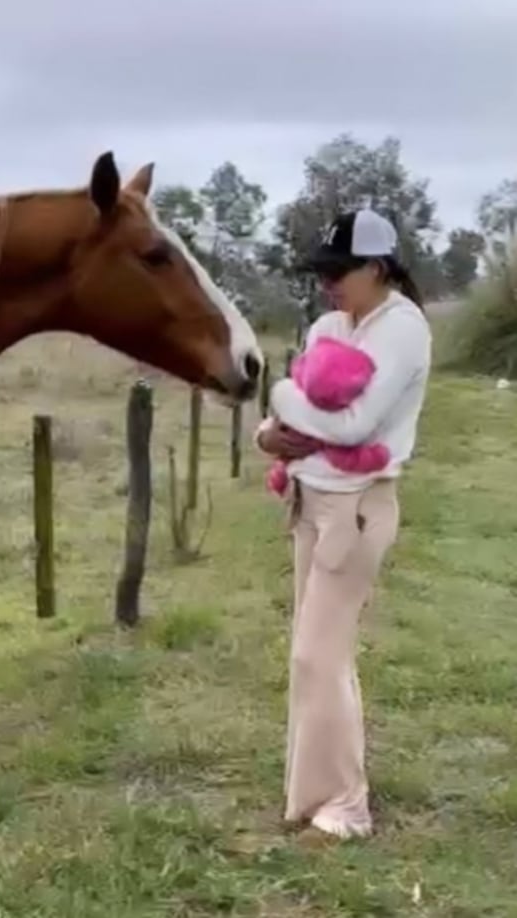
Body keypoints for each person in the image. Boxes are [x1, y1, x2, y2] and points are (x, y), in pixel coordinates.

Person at [255, 207, 432, 841]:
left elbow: (352, 425)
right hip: (309, 501)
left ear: (378, 267)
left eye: (340, 271)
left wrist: (286, 419)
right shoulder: (331, 323)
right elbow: (296, 417)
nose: (329, 283)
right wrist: (274, 433)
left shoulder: (403, 329)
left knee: (318, 654)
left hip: (356, 508)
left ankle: (346, 804)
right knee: (313, 655)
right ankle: (310, 795)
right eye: (323, 271)